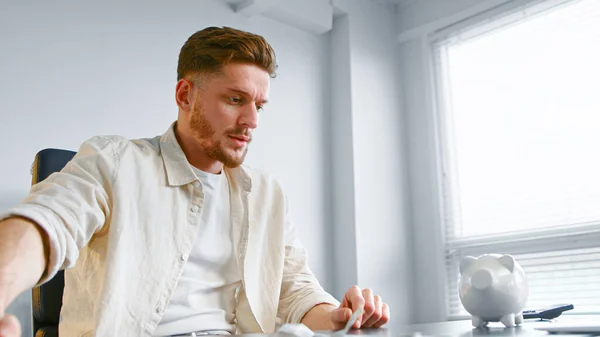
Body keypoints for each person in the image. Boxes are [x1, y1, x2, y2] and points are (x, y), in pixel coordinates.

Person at [0, 26, 389, 337]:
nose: (252, 121)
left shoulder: (267, 195)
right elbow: (48, 224)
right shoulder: (115, 163)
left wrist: (340, 316)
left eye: (259, 106)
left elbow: (296, 290)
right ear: (185, 95)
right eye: (236, 100)